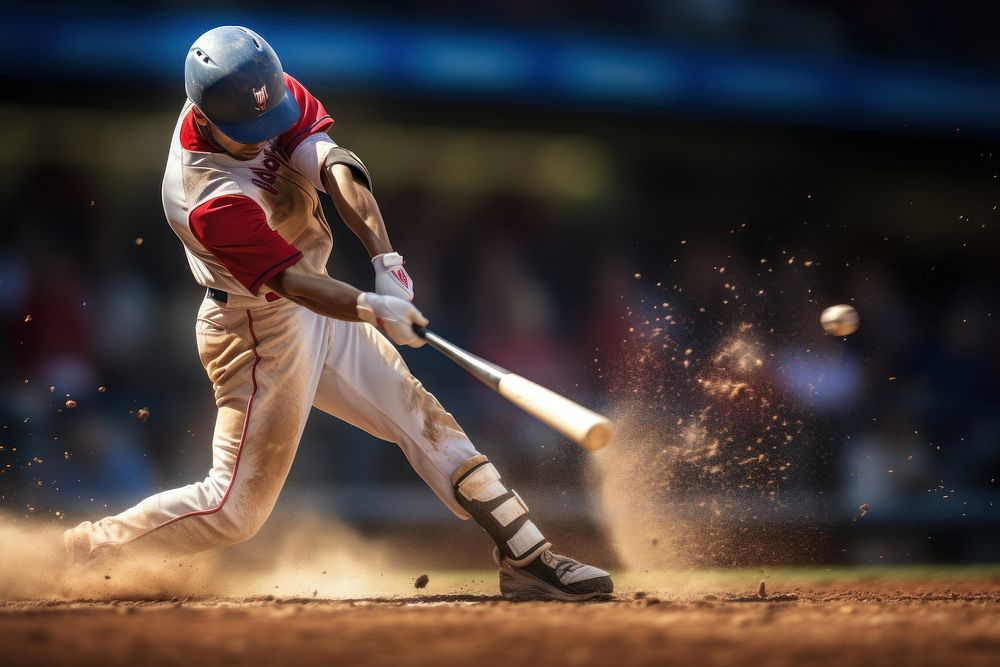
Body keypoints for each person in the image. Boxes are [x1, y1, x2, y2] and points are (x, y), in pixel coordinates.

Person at [63, 26, 612, 601]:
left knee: (421, 416)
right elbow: (289, 283)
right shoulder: (205, 196)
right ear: (205, 115)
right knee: (234, 510)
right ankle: (92, 552)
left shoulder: (260, 93)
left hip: (318, 297)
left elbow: (334, 167)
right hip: (257, 328)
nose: (263, 137)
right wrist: (369, 308)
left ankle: (529, 556)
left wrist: (386, 260)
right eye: (247, 133)